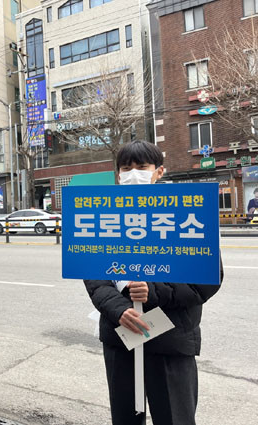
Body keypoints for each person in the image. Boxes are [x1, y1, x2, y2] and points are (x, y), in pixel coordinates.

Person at [84, 140, 223, 425]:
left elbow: (206, 280)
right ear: (118, 175)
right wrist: (120, 309)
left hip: (170, 339)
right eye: (126, 168)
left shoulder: (188, 214)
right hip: (121, 335)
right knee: (125, 417)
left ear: (159, 171)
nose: (133, 173)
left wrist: (154, 291)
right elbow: (93, 275)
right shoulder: (104, 216)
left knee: (175, 418)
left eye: (142, 167)